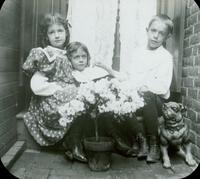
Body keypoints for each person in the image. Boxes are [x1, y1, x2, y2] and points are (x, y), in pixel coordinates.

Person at [95, 14, 174, 163]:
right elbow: (128, 77)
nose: (156, 36)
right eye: (153, 31)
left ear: (167, 37)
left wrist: (143, 88)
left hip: (156, 101)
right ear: (147, 30)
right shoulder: (138, 53)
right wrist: (110, 71)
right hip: (136, 97)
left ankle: (154, 143)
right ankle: (141, 139)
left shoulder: (165, 57)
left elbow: (163, 86)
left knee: (146, 94)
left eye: (161, 33)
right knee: (119, 95)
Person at [22, 13, 78, 148]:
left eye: (60, 31)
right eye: (52, 32)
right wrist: (58, 89)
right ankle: (71, 144)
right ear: (47, 36)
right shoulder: (46, 55)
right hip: (51, 98)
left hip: (68, 94)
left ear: (66, 33)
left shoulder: (69, 54)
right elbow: (36, 86)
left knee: (82, 98)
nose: (57, 35)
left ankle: (75, 143)